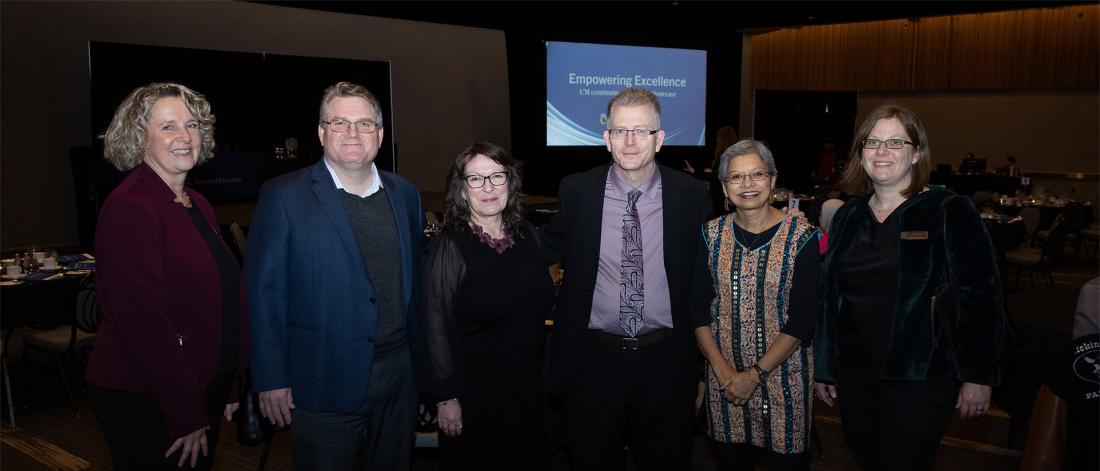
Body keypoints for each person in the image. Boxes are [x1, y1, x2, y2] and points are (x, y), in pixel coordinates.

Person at [813, 104, 1007, 471]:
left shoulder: (947, 209)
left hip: (922, 378)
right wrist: (824, 366)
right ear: (860, 153)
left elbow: (982, 297)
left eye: (894, 142)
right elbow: (829, 299)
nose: (881, 151)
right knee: (865, 458)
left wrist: (979, 375)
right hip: (856, 377)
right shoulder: (847, 217)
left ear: (917, 153)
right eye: (872, 142)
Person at [246, 81, 424, 470]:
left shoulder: (406, 195)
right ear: (322, 131)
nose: (352, 133)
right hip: (321, 380)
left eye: (363, 124)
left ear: (379, 133)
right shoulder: (283, 196)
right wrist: (271, 376)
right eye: (340, 123)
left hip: (399, 379)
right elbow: (264, 293)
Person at [540, 87, 713, 470]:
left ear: (660, 138)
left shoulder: (690, 195)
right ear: (606, 139)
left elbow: (712, 263)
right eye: (620, 131)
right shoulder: (577, 190)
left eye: (641, 131)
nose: (630, 141)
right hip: (593, 361)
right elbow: (543, 246)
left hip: (665, 361)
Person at [87, 82, 249, 470]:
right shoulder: (130, 206)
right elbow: (143, 323)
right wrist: (185, 410)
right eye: (168, 126)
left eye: (192, 125)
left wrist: (228, 380)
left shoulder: (198, 204)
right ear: (138, 138)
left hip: (198, 386)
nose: (184, 136)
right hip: (149, 397)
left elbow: (218, 298)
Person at [421, 140, 556, 470]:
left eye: (497, 176)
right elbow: (434, 326)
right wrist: (447, 396)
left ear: (510, 181)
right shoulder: (450, 245)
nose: (489, 187)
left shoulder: (529, 235)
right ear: (462, 190)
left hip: (527, 389)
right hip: (475, 397)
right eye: (476, 179)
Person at [695, 140, 820, 470]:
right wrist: (724, 373)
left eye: (757, 174)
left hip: (786, 384)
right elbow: (697, 311)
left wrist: (753, 375)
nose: (747, 184)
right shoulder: (709, 236)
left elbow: (802, 321)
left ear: (773, 179)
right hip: (726, 385)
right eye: (736, 177)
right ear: (724, 186)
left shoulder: (802, 237)